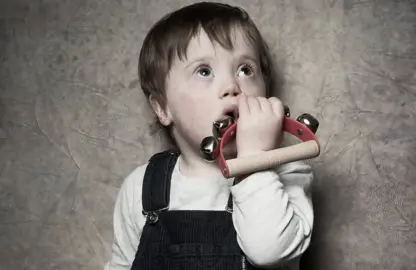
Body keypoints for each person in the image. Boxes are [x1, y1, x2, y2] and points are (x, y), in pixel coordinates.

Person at [104, 2, 315, 269]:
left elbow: (269, 251)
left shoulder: (288, 174)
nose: (232, 87)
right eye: (204, 71)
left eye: (245, 70)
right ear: (163, 108)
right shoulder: (140, 187)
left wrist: (255, 161)